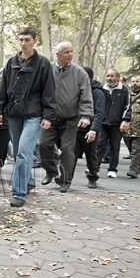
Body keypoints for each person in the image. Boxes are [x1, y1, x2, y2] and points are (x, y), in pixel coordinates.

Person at [0, 27, 56, 207]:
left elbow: (49, 91)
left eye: (27, 39)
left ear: (35, 41)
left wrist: (48, 115)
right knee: (20, 152)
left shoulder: (43, 63)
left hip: (33, 115)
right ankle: (27, 181)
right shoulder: (11, 62)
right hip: (13, 114)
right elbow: (3, 89)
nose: (23, 43)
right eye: (21, 39)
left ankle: (18, 193)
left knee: (23, 152)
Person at [39, 41, 93, 193]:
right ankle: (51, 172)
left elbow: (86, 96)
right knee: (43, 144)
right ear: (58, 54)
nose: (70, 54)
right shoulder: (47, 69)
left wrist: (86, 116)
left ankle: (65, 180)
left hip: (70, 118)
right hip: (49, 117)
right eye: (66, 52)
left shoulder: (79, 72)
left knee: (67, 149)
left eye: (71, 51)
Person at [73, 67, 105, 189]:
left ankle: (92, 177)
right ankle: (66, 178)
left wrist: (93, 130)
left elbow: (99, 112)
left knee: (91, 155)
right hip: (75, 128)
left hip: (90, 129)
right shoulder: (75, 90)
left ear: (89, 78)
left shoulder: (98, 93)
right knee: (71, 155)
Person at [96, 69, 131, 178]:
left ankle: (112, 169)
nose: (109, 78)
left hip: (117, 123)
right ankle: (94, 168)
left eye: (112, 76)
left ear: (117, 77)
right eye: (108, 76)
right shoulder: (102, 89)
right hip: (103, 123)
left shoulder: (124, 90)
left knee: (114, 147)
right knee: (99, 145)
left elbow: (128, 106)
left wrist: (125, 120)